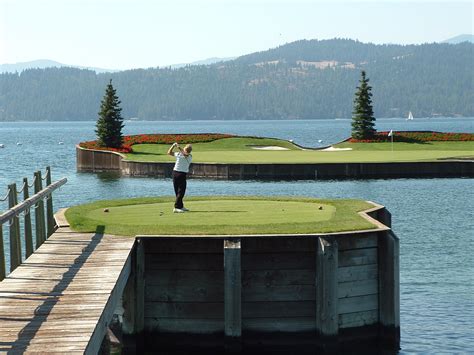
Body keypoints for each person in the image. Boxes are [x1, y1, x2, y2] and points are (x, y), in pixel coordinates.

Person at [167, 142, 193, 213]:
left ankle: (180, 206)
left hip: (177, 174)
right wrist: (173, 146)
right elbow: (169, 153)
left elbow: (185, 154)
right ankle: (176, 207)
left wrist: (177, 146)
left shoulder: (188, 156)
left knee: (179, 191)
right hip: (178, 173)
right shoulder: (181, 154)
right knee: (180, 191)